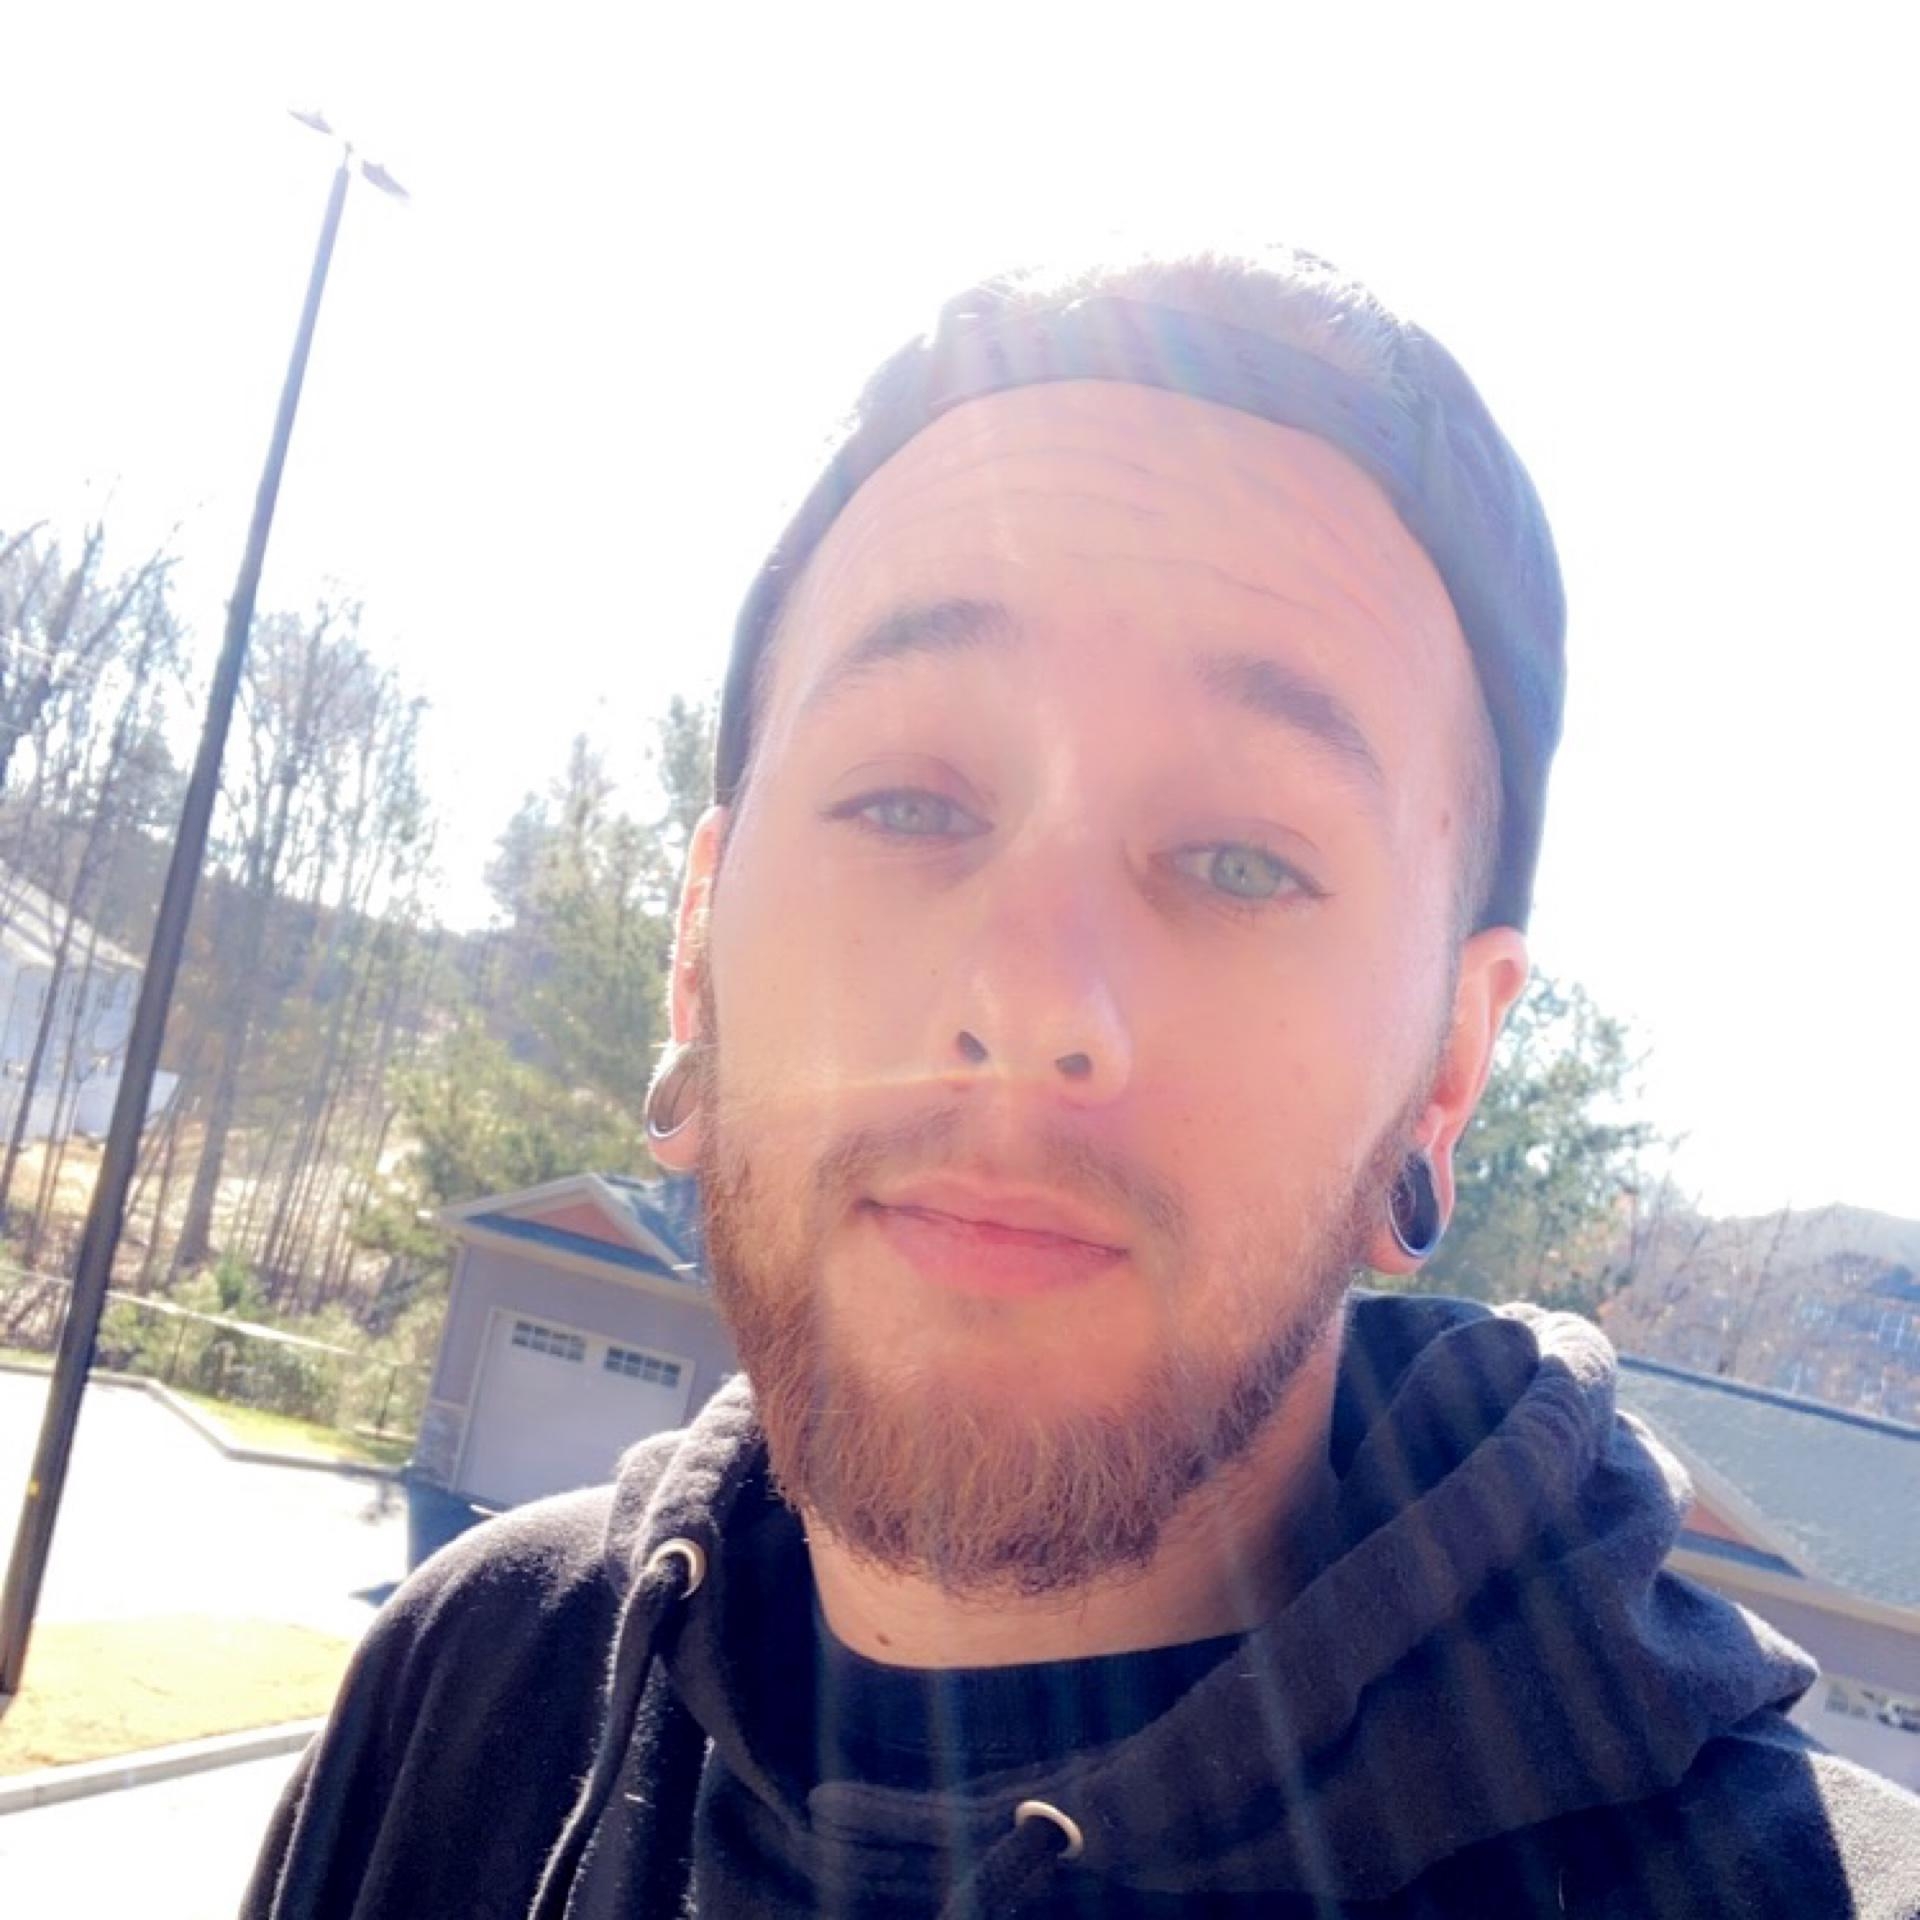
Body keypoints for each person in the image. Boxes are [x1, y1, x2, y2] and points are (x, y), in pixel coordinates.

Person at [243, 248, 1920, 1919]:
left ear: (1447, 1069)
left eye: (1243, 861)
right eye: (908, 803)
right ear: (699, 944)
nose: (1031, 1002)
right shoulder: (464, 1696)